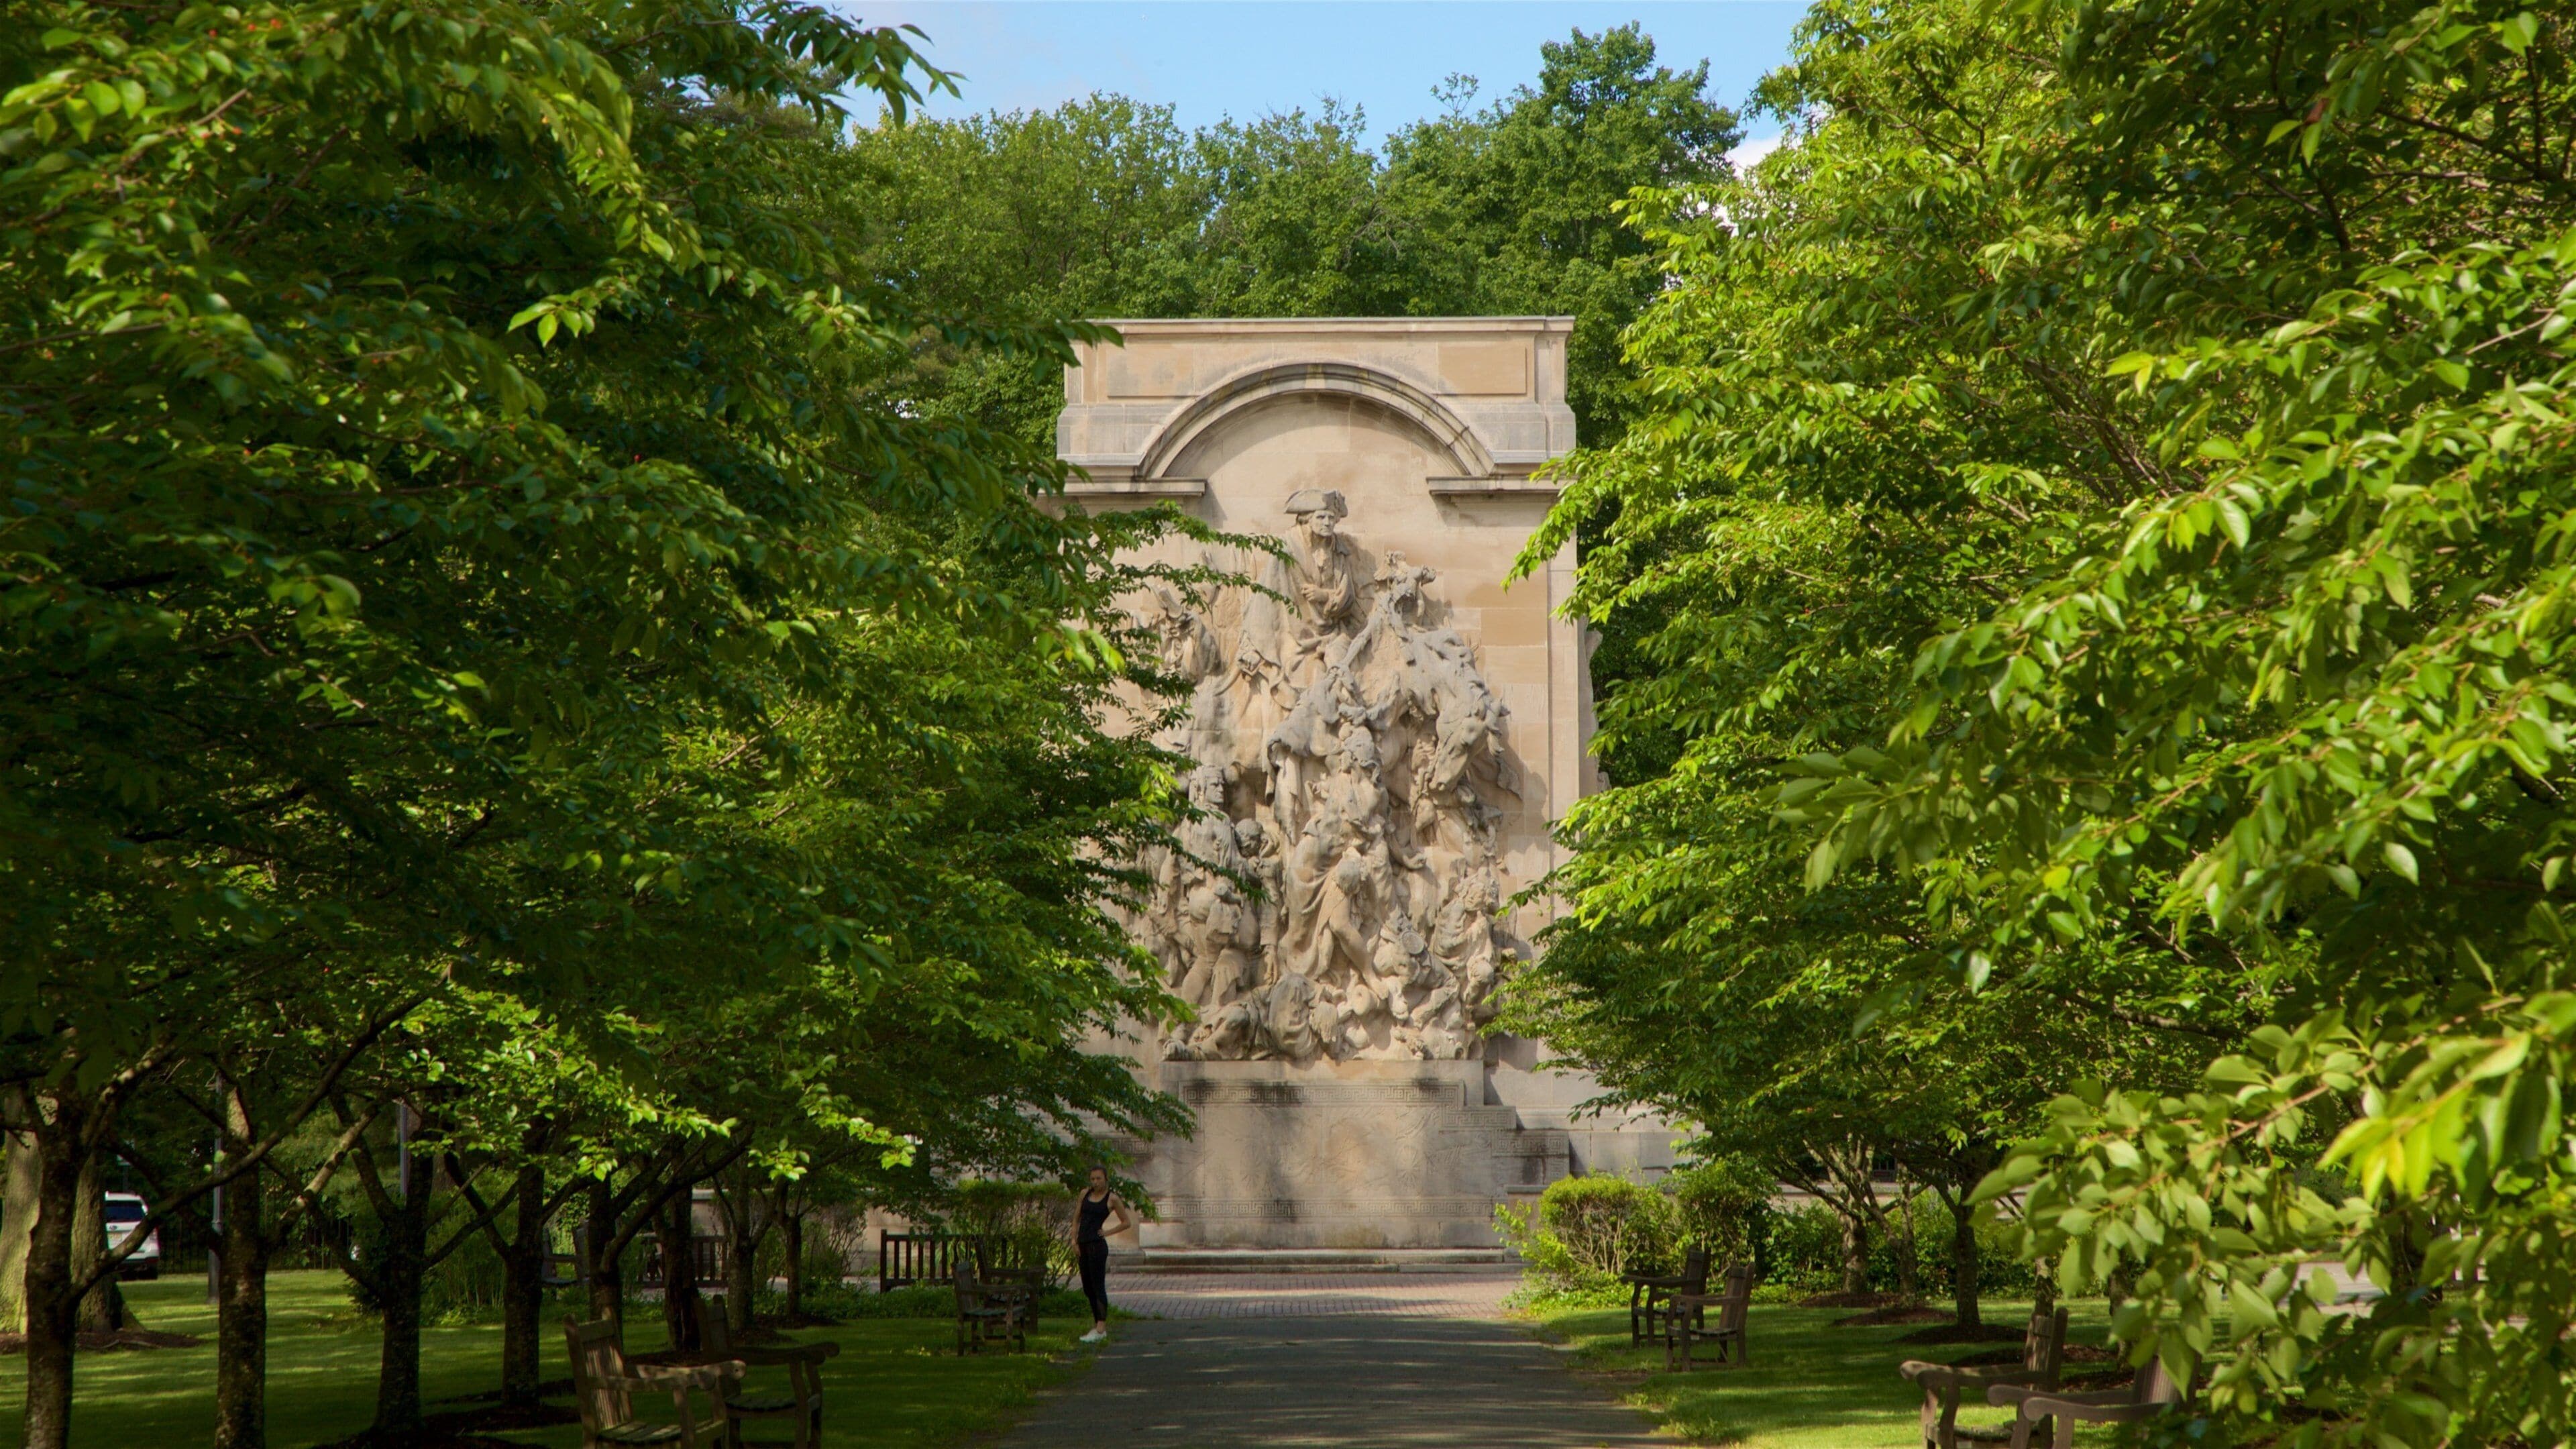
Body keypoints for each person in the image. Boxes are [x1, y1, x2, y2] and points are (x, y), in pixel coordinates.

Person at [1072, 1165, 1137, 1343]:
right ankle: (1097, 1323)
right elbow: (1076, 1219)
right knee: (1087, 1287)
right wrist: (1073, 1241)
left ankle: (1101, 1327)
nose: (1095, 1182)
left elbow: (1126, 1222)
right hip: (1082, 1244)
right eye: (1093, 1179)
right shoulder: (1084, 1194)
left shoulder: (1112, 1199)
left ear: (1106, 1179)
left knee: (1097, 1285)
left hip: (1097, 1246)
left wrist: (1107, 1233)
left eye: (1099, 1178)